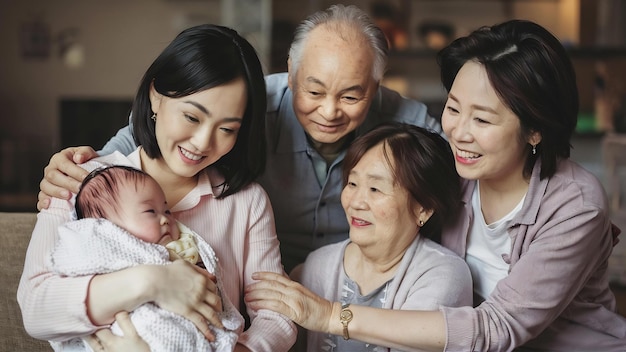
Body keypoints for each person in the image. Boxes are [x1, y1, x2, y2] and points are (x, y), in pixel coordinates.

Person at [244, 20, 626, 351]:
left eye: (483, 120)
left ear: (535, 130)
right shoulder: (451, 171)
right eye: (454, 108)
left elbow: (495, 328)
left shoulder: (574, 204)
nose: (458, 133)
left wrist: (330, 315)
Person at [34, 4, 442, 274]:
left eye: (352, 95)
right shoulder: (245, 105)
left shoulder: (408, 124)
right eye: (313, 92)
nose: (330, 110)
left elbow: (460, 188)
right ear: (291, 72)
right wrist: (78, 172)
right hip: (265, 274)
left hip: (355, 280)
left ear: (377, 85)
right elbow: (147, 139)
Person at [18, 24, 296, 352]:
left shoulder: (245, 202)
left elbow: (276, 315)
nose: (203, 142)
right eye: (192, 117)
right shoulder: (84, 180)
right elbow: (36, 307)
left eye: (226, 128)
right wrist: (153, 282)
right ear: (155, 95)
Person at [293, 122, 473, 351]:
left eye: (375, 189)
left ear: (423, 208)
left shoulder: (442, 275)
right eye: (352, 183)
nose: (356, 202)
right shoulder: (317, 266)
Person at [49, 165, 243, 352]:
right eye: (151, 211)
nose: (166, 218)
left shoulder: (183, 252)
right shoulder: (100, 248)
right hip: (138, 331)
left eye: (167, 210)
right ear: (108, 228)